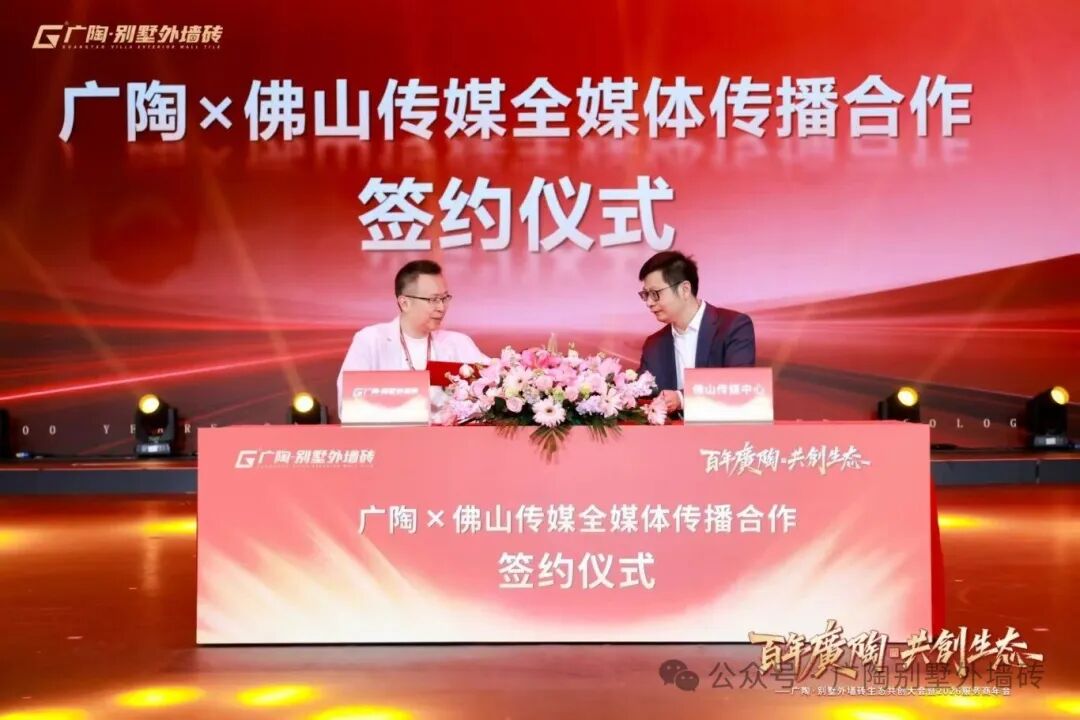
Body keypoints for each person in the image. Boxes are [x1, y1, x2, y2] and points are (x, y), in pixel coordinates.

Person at [336, 260, 487, 415]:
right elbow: (346, 405)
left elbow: (492, 388)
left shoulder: (459, 343)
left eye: (444, 298)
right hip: (390, 430)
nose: (441, 307)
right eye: (433, 300)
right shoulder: (370, 341)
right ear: (405, 303)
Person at [637, 251, 756, 414]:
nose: (649, 303)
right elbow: (642, 395)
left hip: (723, 427)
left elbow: (741, 385)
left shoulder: (733, 326)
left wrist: (682, 399)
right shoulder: (654, 344)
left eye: (655, 294)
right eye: (646, 295)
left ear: (685, 289)